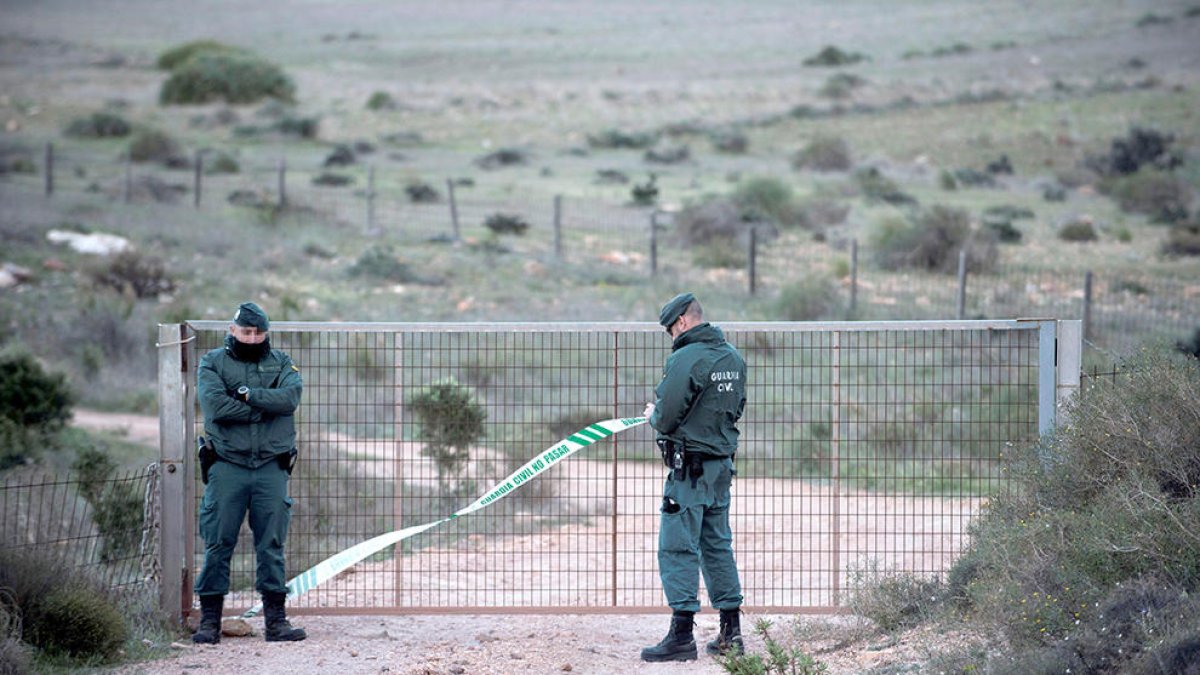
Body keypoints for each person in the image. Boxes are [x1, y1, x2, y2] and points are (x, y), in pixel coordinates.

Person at [640, 292, 747, 662]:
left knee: (677, 546)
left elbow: (667, 417)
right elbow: (736, 408)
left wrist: (654, 414)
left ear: (682, 321)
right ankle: (731, 633)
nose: (672, 335)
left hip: (689, 472)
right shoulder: (732, 357)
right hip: (720, 468)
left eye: (672, 328)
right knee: (717, 545)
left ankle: (681, 635)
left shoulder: (685, 358)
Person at [192, 301, 306, 644]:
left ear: (265, 333)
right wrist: (263, 408)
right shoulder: (212, 362)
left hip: (270, 467)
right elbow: (215, 406)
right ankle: (209, 622)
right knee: (218, 543)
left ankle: (276, 622)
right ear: (232, 330)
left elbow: (288, 399)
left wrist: (245, 396)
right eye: (246, 332)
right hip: (228, 466)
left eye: (258, 333)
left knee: (271, 544)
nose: (253, 338)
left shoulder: (281, 362)